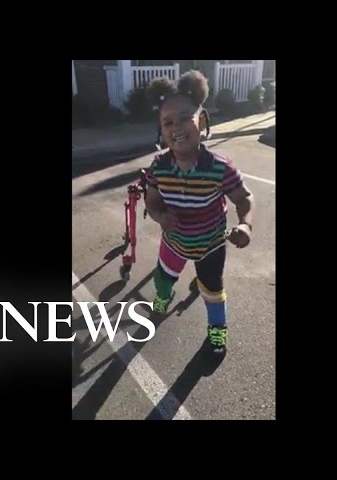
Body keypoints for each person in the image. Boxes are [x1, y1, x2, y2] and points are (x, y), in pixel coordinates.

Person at [144, 70, 254, 354]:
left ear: (202, 120)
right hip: (173, 243)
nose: (176, 128)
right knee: (163, 278)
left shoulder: (220, 167)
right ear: (161, 132)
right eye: (168, 122)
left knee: (212, 291)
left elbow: (244, 198)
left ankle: (217, 330)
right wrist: (161, 216)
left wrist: (245, 225)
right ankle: (163, 298)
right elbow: (151, 201)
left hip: (210, 246)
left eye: (185, 118)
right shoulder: (159, 167)